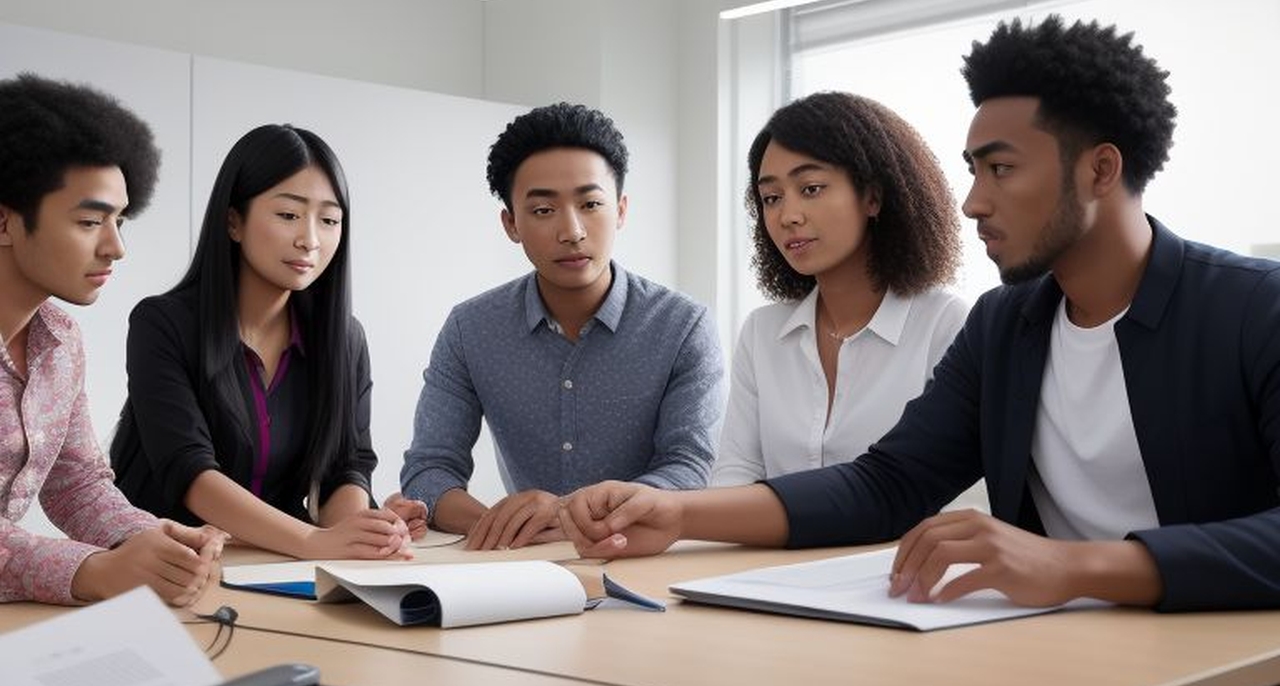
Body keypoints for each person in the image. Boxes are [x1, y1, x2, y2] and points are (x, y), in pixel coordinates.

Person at [558, 15, 1280, 613]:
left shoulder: (1255, 308)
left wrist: (1077, 566)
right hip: (1053, 651)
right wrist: (680, 515)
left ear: (1100, 170)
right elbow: (887, 484)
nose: (973, 202)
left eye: (1000, 169)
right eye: (971, 171)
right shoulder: (1004, 325)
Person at [394, 102, 724, 551]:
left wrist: (568, 515)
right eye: (544, 210)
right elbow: (428, 472)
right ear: (511, 223)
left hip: (644, 557)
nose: (572, 231)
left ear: (621, 210)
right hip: (523, 563)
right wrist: (506, 523)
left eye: (590, 204)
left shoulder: (683, 326)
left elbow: (688, 468)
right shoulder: (470, 329)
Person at [111, 124, 419, 560]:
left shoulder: (344, 339)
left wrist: (358, 530)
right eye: (289, 215)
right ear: (234, 221)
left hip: (272, 562)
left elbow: (345, 467)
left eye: (329, 220)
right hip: (164, 559)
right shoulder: (162, 323)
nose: (310, 239)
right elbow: (190, 472)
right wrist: (316, 542)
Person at [0, 73, 225, 606]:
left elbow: (76, 483)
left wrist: (148, 538)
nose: (116, 248)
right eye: (89, 222)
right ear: (4, 221)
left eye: (120, 221)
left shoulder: (60, 339)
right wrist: (94, 570)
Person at [713, 91, 965, 487]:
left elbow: (932, 484)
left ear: (873, 196)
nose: (788, 216)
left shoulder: (944, 324)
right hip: (772, 548)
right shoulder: (762, 331)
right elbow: (736, 471)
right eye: (771, 198)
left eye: (811, 188)